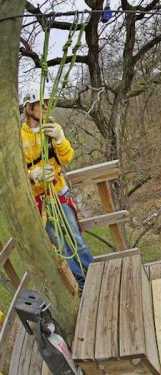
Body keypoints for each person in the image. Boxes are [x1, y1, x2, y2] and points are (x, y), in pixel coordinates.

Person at [21, 93, 94, 289]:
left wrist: (60, 139)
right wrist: (32, 174)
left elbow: (67, 157)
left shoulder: (52, 128)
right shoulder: (19, 138)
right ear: (29, 108)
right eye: (41, 104)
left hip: (58, 191)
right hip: (40, 199)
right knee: (60, 245)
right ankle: (80, 281)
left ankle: (94, 272)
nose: (46, 108)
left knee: (75, 238)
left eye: (47, 104)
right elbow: (17, 170)